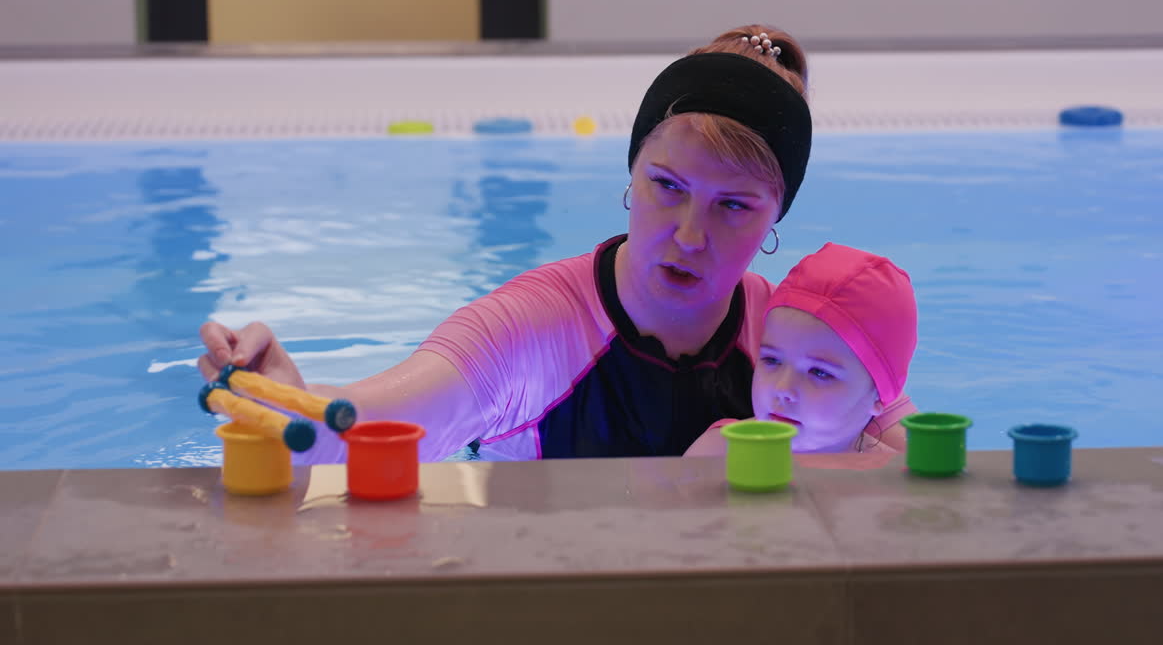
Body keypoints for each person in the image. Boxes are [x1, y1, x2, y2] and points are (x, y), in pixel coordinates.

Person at [198, 26, 814, 462]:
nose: (689, 235)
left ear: (776, 218)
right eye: (668, 186)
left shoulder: (798, 337)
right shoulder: (531, 328)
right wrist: (293, 402)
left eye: (734, 206)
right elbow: (382, 424)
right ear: (632, 174)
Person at [684, 243, 918, 458]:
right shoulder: (719, 455)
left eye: (819, 372)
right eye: (772, 360)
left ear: (878, 397)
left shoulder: (892, 478)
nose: (783, 388)